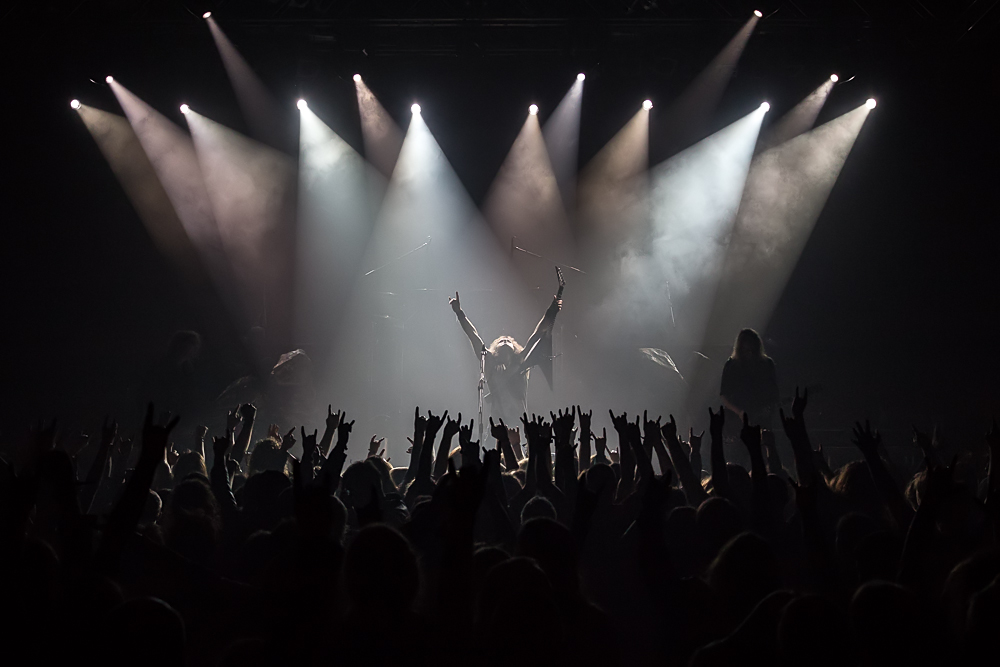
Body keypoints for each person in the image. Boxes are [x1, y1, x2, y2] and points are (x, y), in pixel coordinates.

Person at [449, 271, 563, 426]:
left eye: (507, 340)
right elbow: (473, 335)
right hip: (497, 426)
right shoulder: (490, 364)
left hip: (520, 424)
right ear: (495, 348)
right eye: (501, 340)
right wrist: (459, 313)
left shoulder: (522, 361)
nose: (504, 340)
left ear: (514, 346)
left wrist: (551, 310)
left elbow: (538, 332)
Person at [720, 329, 779, 429]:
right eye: (746, 350)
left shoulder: (767, 364)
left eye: (752, 350)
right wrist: (739, 412)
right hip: (737, 423)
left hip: (760, 420)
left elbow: (774, 393)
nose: (749, 353)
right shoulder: (731, 365)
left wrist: (767, 409)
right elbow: (724, 395)